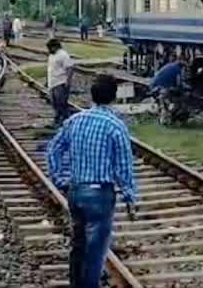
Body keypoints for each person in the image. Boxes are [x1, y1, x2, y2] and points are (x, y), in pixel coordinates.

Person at [46, 74, 138, 288]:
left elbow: (53, 150)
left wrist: (59, 178)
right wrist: (130, 197)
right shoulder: (115, 126)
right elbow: (123, 167)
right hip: (100, 194)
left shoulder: (75, 121)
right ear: (113, 98)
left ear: (92, 95)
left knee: (78, 245)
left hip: (76, 191)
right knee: (95, 252)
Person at [47, 38, 74, 127]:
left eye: (50, 48)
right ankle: (58, 119)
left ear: (55, 47)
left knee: (61, 103)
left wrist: (68, 81)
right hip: (52, 82)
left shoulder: (63, 55)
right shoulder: (51, 55)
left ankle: (65, 121)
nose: (49, 50)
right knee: (54, 102)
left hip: (60, 82)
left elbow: (70, 67)